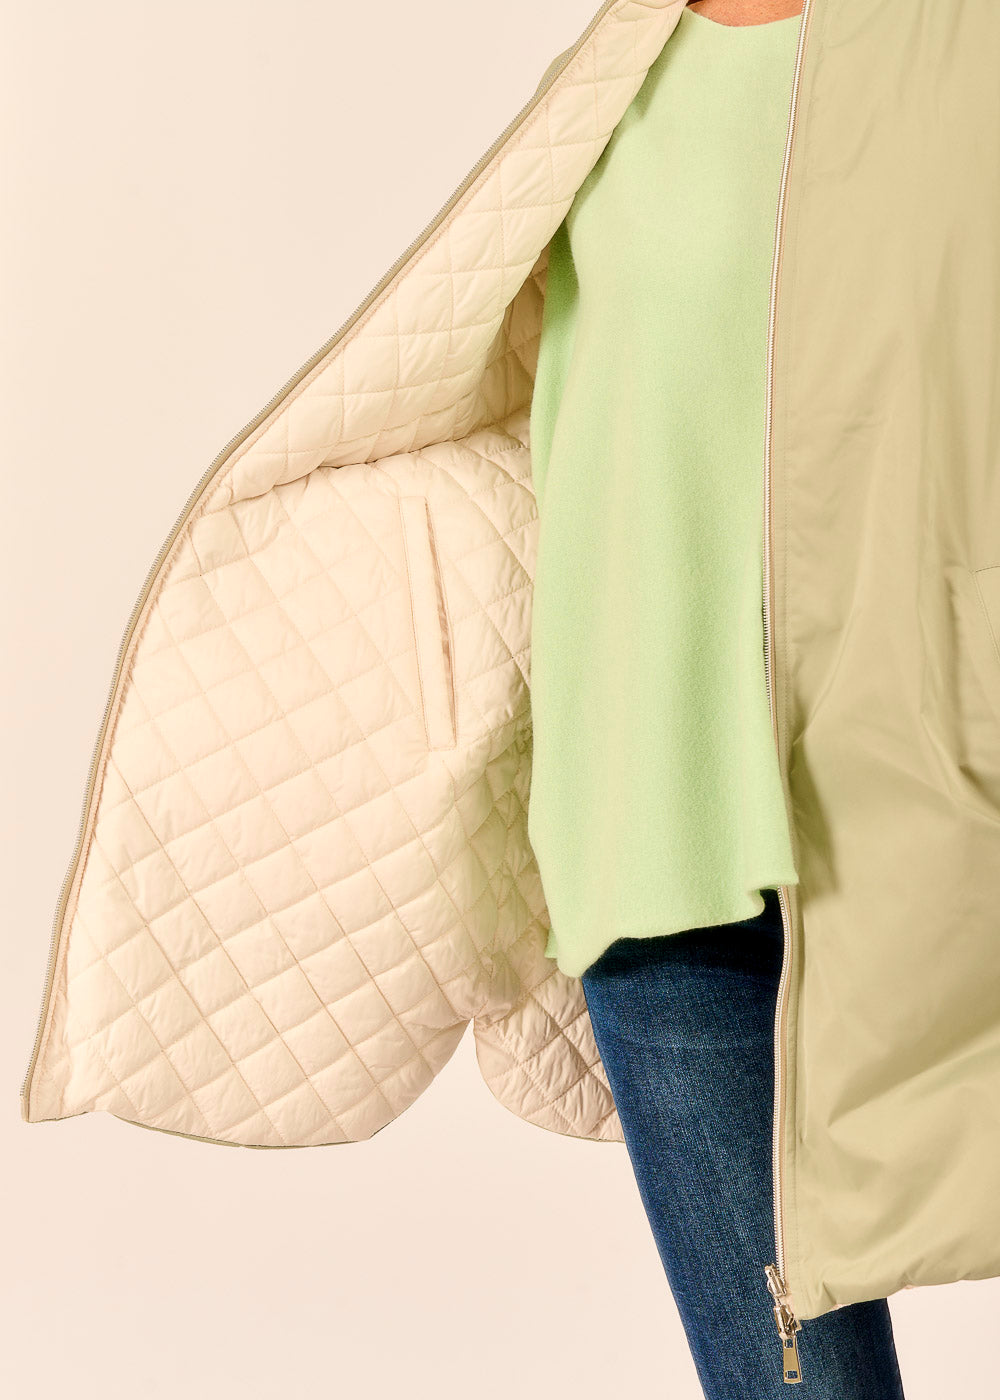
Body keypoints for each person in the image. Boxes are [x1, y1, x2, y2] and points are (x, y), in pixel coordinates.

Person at [527, 0, 907, 1393]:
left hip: (919, 817)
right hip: (656, 826)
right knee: (792, 1382)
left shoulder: (950, 59)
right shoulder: (608, 72)